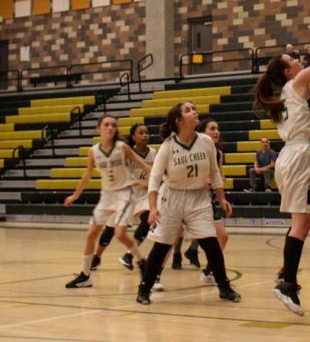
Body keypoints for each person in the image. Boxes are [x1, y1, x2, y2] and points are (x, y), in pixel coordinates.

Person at [254, 0, 310, 316]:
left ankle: (284, 273)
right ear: (289, 71)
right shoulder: (297, 83)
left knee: (299, 223)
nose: (300, 61)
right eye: (295, 60)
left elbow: (306, 123)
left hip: (295, 156)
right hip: (299, 158)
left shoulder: (291, 94)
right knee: (302, 224)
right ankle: (286, 283)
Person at [136, 102, 240, 305]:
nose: (194, 111)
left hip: (198, 197)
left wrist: (222, 198)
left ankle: (224, 287)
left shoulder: (206, 142)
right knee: (162, 245)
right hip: (172, 197)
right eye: (189, 109)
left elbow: (214, 173)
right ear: (179, 120)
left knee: (211, 243)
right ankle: (144, 289)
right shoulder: (167, 146)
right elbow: (154, 180)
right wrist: (153, 207)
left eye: (194, 108)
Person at [64, 115, 151, 288]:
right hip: (107, 196)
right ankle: (85, 275)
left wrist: (156, 180)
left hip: (125, 195)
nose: (110, 127)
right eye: (106, 125)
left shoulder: (122, 147)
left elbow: (143, 166)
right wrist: (75, 195)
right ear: (99, 129)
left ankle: (142, 262)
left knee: (119, 235)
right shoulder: (93, 151)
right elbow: (87, 175)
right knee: (91, 235)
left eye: (113, 125)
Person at [195, 117, 230, 285]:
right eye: (212, 128)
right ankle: (152, 276)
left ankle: (209, 271)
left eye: (217, 128)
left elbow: (218, 173)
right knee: (171, 238)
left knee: (222, 236)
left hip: (206, 200)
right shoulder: (194, 149)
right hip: (186, 198)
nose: (216, 131)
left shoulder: (218, 153)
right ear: (202, 133)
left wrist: (220, 194)